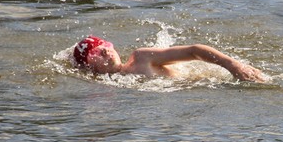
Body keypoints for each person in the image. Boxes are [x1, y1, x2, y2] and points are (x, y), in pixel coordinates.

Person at [71, 35, 268, 82]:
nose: (104, 51)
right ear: (88, 66)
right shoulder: (103, 87)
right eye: (94, 52)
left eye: (104, 46)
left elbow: (194, 50)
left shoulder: (141, 58)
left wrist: (232, 64)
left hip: (217, 82)